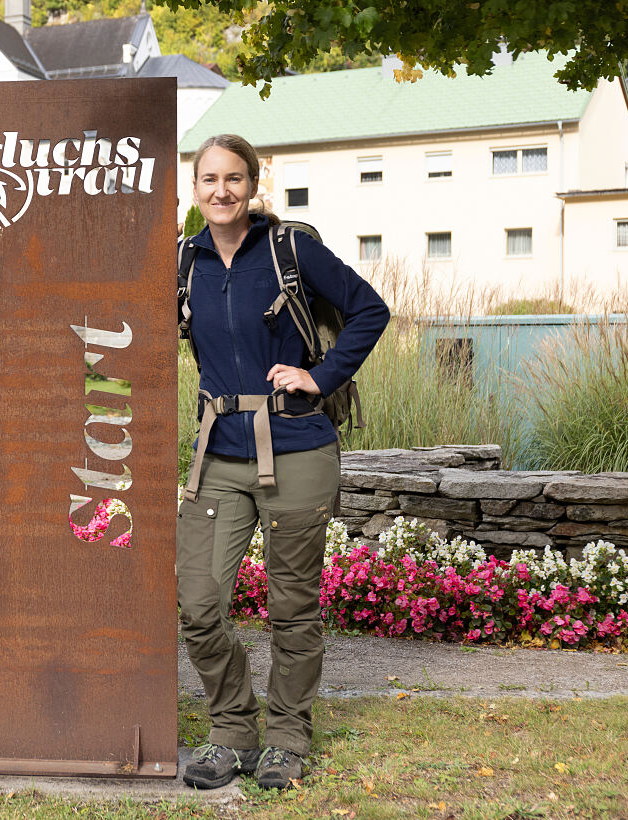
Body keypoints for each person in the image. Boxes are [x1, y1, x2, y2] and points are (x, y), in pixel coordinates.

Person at [177, 135, 389, 790]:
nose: (221, 191)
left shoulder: (288, 250)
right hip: (217, 454)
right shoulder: (183, 263)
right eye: (208, 179)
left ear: (252, 185)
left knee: (291, 604)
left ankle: (287, 736)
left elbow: (368, 310)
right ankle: (232, 728)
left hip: (296, 448)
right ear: (194, 189)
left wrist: (319, 376)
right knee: (197, 600)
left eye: (233, 179)